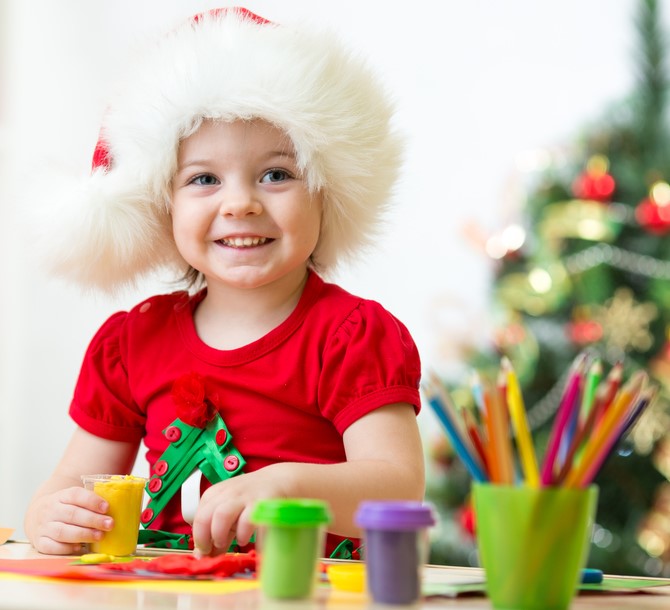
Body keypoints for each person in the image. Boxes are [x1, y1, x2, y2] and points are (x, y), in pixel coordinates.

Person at [24, 7, 424, 558]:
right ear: (162, 205)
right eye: (204, 178)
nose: (240, 203)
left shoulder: (351, 336)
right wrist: (50, 513)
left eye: (276, 174)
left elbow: (399, 490)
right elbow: (73, 484)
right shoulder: (131, 344)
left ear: (327, 191)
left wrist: (286, 486)